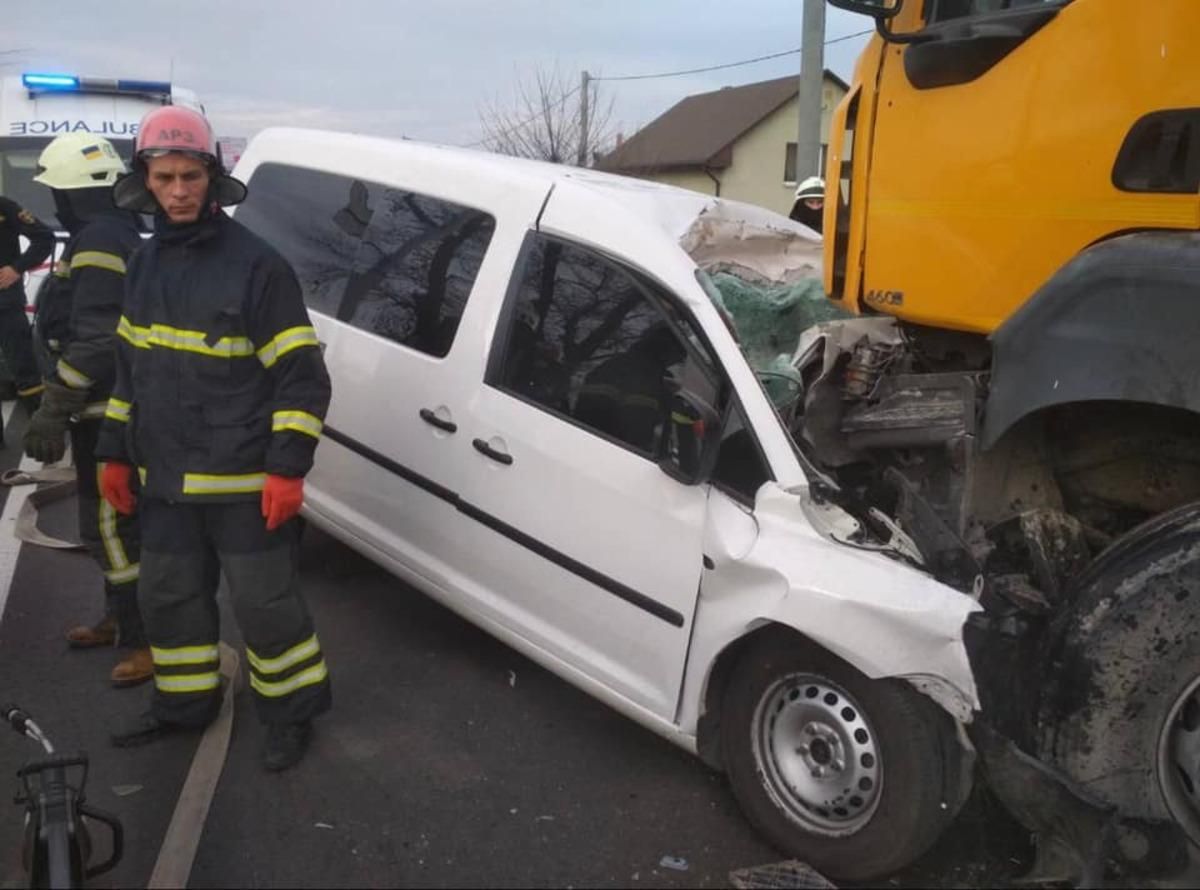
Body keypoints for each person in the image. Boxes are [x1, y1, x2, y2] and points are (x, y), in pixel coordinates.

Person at [97, 106, 333, 772]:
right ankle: (183, 707)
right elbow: (129, 369)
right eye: (165, 177)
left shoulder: (258, 268)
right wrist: (114, 449)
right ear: (144, 179)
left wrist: (287, 469)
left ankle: (291, 715)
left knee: (268, 609)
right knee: (169, 603)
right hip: (166, 485)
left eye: (191, 176)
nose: (178, 190)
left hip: (243, 487)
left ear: (212, 176)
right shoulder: (142, 266)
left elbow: (301, 379)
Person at [25, 133, 151, 687]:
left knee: (112, 528)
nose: (53, 200)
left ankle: (148, 640)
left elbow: (98, 340)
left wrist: (54, 404)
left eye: (57, 189)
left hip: (107, 413)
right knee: (106, 526)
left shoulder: (98, 239)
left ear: (75, 193)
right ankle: (120, 622)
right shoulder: (107, 233)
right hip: (101, 410)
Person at [0, 191, 55, 424]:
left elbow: (44, 237)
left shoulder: (5, 206)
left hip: (5, 305)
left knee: (25, 371)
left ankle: (42, 432)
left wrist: (16, 268)